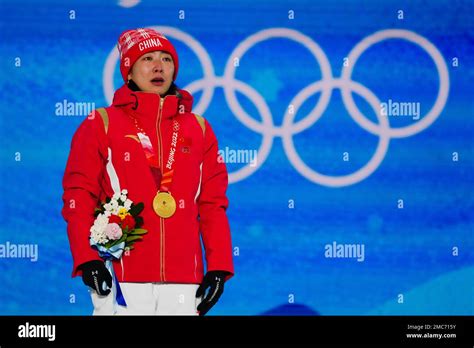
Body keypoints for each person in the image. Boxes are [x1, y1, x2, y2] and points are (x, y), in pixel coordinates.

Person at [61, 28, 234, 315]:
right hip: (121, 274)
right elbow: (78, 195)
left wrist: (219, 266)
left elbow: (212, 205)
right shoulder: (100, 123)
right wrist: (86, 258)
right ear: (128, 72)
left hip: (183, 279)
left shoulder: (199, 129)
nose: (158, 66)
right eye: (147, 58)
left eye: (166, 59)